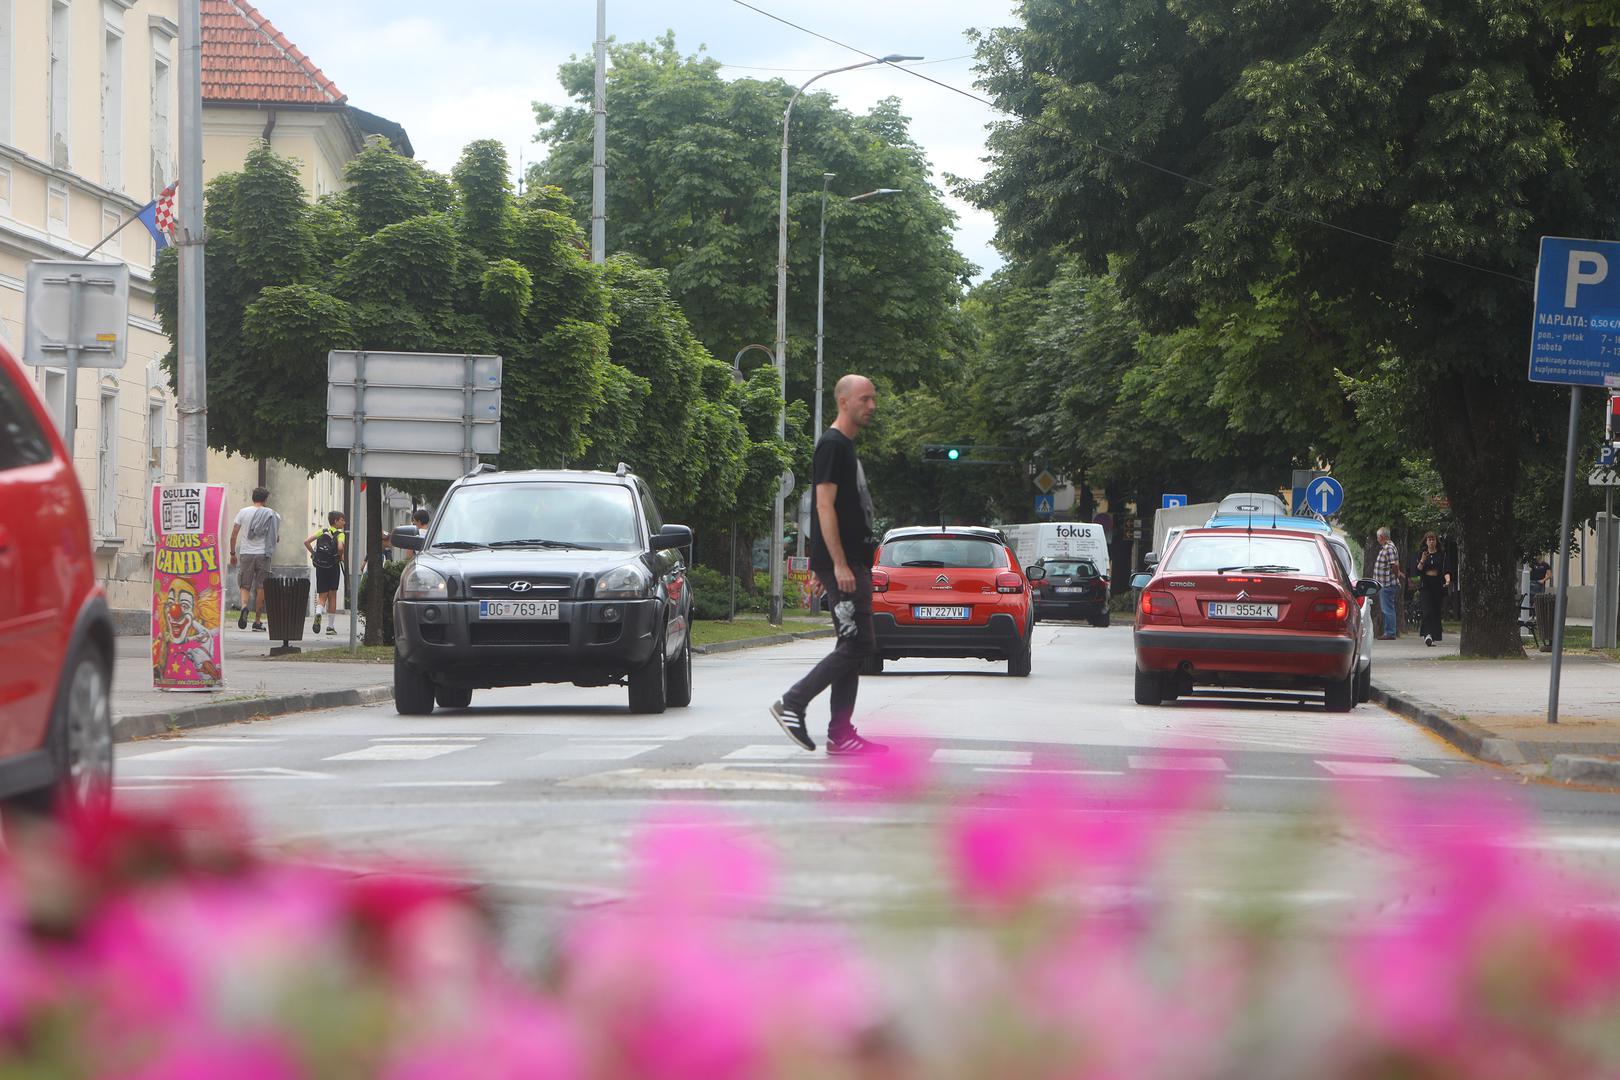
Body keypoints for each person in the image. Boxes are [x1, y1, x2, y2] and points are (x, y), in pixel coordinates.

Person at [769, 374, 886, 755]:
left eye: (873, 399)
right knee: (857, 643)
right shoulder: (833, 445)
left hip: (850, 563)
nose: (872, 406)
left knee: (853, 644)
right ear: (843, 402)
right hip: (847, 565)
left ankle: (841, 733)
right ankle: (794, 703)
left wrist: (827, 565)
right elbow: (823, 506)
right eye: (865, 399)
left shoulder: (845, 447)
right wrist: (835, 564)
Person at [229, 487, 280, 632]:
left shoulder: (243, 512)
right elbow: (275, 537)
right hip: (263, 555)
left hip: (246, 554)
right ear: (265, 500)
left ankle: (244, 607)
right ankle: (257, 621)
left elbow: (233, 535)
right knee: (261, 587)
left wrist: (233, 553)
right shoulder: (271, 514)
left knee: (245, 585)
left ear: (253, 497)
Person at [303, 510, 347, 635]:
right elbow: (339, 547)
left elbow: (306, 542)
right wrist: (339, 556)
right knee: (332, 595)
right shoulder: (340, 534)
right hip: (333, 566)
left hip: (321, 566)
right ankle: (330, 627)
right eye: (342, 520)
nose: (344, 522)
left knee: (322, 595)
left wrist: (314, 554)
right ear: (336, 521)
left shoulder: (322, 531)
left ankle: (318, 613)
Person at [1412, 531, 1452, 646]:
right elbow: (1418, 570)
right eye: (1429, 540)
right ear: (1426, 541)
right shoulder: (1422, 554)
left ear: (1436, 541)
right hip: (1426, 584)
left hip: (1438, 584)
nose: (1431, 542)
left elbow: (1446, 570)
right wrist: (1423, 559)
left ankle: (1434, 635)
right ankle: (1427, 634)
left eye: (1433, 539)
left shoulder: (1442, 554)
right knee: (1427, 609)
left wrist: (1447, 580)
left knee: (1435, 610)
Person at [1372, 527, 1404, 640]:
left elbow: (1393, 565)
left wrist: (1396, 575)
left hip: (1387, 584)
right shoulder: (1387, 547)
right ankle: (1388, 631)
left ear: (1381, 537)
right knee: (1387, 608)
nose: (1377, 539)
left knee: (1387, 609)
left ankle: (1390, 632)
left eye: (1377, 537)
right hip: (1384, 583)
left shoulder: (1389, 548)